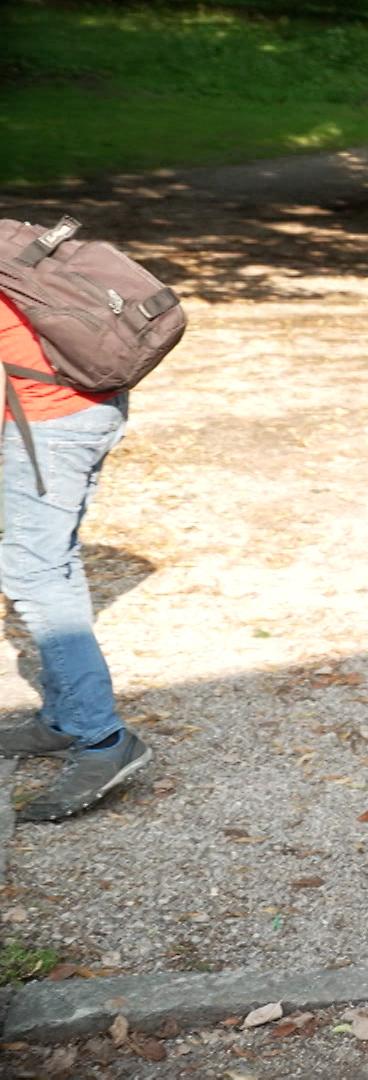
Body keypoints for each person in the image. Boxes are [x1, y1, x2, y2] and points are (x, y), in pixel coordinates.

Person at [0, 295, 147, 821]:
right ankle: (63, 718)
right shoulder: (13, 245)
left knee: (31, 571)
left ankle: (101, 736)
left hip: (48, 420)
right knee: (54, 562)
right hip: (90, 402)